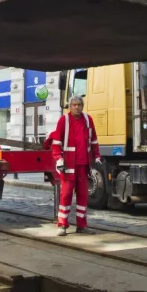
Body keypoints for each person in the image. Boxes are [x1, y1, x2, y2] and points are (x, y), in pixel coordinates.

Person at [51, 96, 100, 236]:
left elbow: (94, 140)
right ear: (69, 107)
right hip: (68, 166)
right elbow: (56, 143)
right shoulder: (64, 120)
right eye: (74, 105)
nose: (77, 107)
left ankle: (82, 226)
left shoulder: (88, 120)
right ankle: (62, 225)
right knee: (66, 195)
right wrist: (59, 159)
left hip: (83, 166)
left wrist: (97, 156)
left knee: (83, 196)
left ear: (82, 106)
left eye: (79, 104)